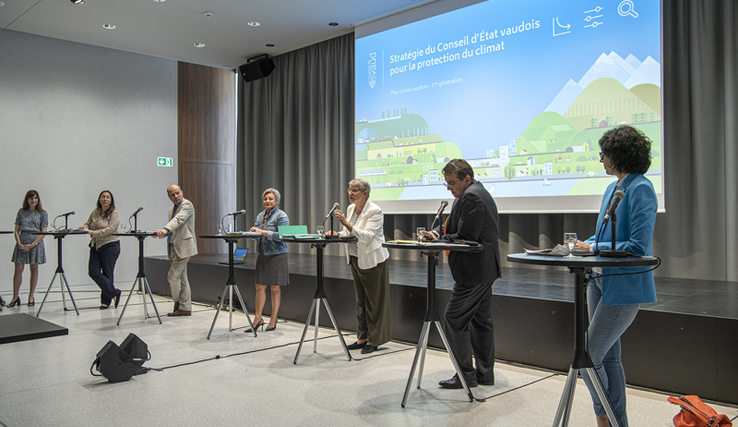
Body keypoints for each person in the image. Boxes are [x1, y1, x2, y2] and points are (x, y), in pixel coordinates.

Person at [572, 125, 657, 427]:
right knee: (608, 358)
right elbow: (604, 235)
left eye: (603, 155)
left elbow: (637, 246)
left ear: (618, 156)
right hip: (598, 281)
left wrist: (593, 245)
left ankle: (604, 418)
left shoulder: (642, 188)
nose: (600, 161)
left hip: (623, 285)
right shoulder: (613, 188)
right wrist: (584, 245)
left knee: (588, 357)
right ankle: (617, 421)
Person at [434, 159, 500, 389]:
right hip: (484, 270)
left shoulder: (471, 196)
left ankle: (465, 375)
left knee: (454, 319)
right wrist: (441, 235)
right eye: (447, 184)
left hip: (474, 272)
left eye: (452, 183)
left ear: (467, 179)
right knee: (481, 322)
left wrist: (441, 239)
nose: (450, 188)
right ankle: (484, 374)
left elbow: (467, 235)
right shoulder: (478, 192)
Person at [331, 179, 391, 354]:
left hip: (373, 261)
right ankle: (362, 337)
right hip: (355, 258)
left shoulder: (375, 211)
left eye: (355, 190)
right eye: (349, 189)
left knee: (375, 302)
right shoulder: (351, 209)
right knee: (361, 301)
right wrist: (337, 233)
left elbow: (366, 236)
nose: (350, 193)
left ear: (365, 193)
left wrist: (345, 223)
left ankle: (374, 340)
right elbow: (349, 233)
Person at [246, 188, 289, 332]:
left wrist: (262, 232)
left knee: (275, 287)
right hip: (263, 254)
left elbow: (283, 236)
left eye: (270, 199)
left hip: (277, 254)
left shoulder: (281, 216)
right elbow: (257, 235)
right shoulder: (260, 216)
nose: (267, 201)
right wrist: (252, 232)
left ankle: (273, 318)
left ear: (276, 201)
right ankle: (258, 318)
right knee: (259, 286)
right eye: (265, 199)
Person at [155, 184, 198, 317]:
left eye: (178, 193)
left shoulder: (187, 205)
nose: (176, 196)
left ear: (182, 192)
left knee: (173, 276)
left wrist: (165, 229)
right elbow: (174, 228)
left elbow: (178, 220)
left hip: (185, 246)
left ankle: (177, 302)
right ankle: (185, 307)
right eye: (172, 195)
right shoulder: (171, 209)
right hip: (173, 246)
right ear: (169, 197)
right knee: (183, 278)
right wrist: (160, 233)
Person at [79, 190, 122, 309]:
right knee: (93, 271)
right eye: (103, 197)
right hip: (95, 245)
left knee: (108, 273)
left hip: (110, 245)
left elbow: (110, 229)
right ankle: (114, 293)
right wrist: (84, 228)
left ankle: (105, 301)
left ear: (111, 200)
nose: (105, 199)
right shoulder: (95, 211)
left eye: (107, 197)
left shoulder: (114, 213)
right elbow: (88, 223)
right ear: (99, 199)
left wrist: (92, 232)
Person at [9, 190, 48, 307]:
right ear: (27, 200)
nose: (33, 200)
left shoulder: (42, 214)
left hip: (35, 244)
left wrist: (33, 244)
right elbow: (16, 230)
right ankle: (15, 296)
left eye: (35, 198)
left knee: (34, 269)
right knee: (18, 270)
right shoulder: (21, 212)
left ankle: (31, 296)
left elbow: (43, 232)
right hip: (22, 243)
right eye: (31, 198)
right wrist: (19, 242)